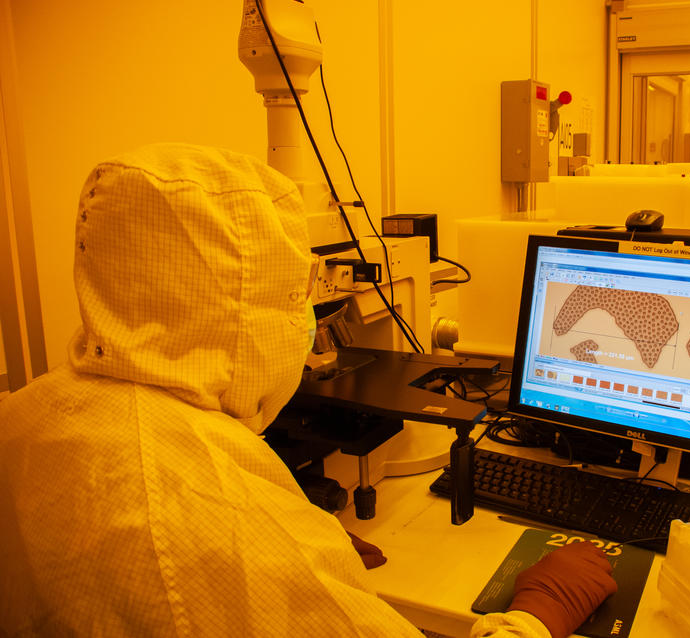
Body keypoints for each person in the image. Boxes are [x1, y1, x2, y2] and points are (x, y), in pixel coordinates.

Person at [0, 143, 616, 637]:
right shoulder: (221, 526)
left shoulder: (25, 416)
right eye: (296, 302)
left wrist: (298, 543)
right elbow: (208, 542)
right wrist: (538, 614)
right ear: (256, 311)